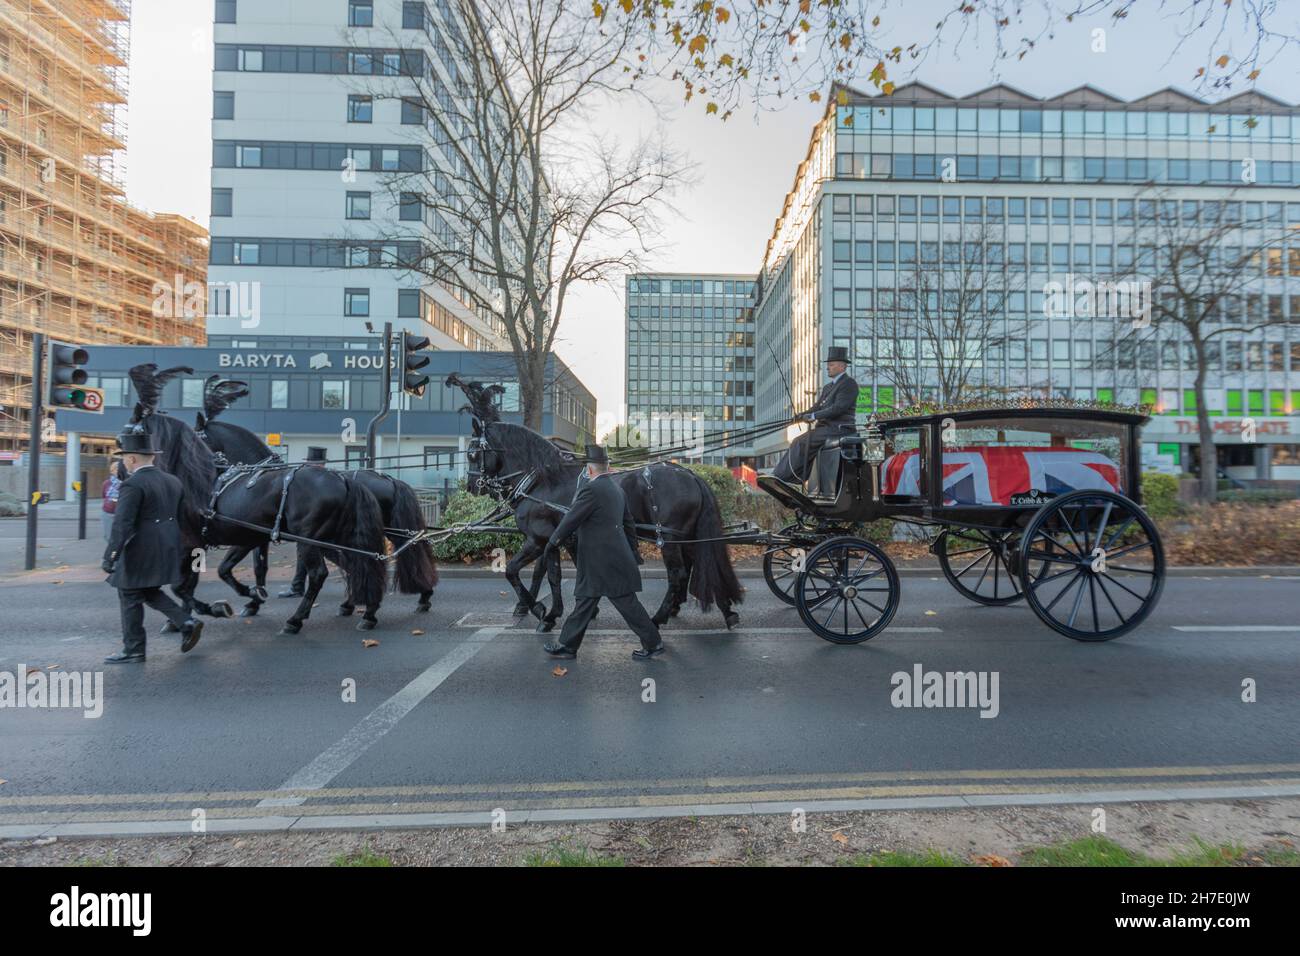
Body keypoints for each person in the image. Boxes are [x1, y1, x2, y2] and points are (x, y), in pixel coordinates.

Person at [541, 445, 664, 661]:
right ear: (607, 467)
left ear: (589, 470)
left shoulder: (591, 489)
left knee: (626, 603)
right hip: (609, 559)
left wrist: (552, 542)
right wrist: (633, 552)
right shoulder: (617, 489)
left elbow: (571, 519)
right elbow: (629, 524)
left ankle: (653, 643)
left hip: (603, 561)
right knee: (586, 601)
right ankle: (568, 646)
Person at [102, 429, 203, 664]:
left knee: (128, 592)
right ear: (152, 457)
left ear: (132, 459)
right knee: (146, 591)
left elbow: (122, 524)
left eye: (125, 457)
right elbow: (179, 517)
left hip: (140, 548)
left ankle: (134, 649)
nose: (124, 462)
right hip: (167, 545)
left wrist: (111, 556)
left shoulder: (132, 484)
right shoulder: (173, 481)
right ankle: (186, 621)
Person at [772, 345, 860, 485]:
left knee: (800, 442)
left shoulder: (849, 384)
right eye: (828, 365)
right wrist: (801, 415)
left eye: (831, 365)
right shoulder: (828, 387)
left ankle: (781, 476)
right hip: (824, 429)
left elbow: (838, 408)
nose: (827, 367)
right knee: (801, 441)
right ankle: (793, 477)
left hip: (838, 429)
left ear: (842, 366)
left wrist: (813, 416)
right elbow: (817, 407)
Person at [279, 446, 329, 598]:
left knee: (310, 551)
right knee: (304, 551)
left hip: (316, 525)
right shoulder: (325, 477)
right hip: (316, 524)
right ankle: (297, 586)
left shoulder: (309, 479)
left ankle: (298, 586)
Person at [100, 460, 123, 542]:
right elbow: (104, 496)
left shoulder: (127, 482)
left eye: (119, 468)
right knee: (108, 537)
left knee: (121, 538)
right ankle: (111, 554)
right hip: (107, 513)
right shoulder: (106, 483)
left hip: (121, 514)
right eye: (115, 469)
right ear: (112, 471)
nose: (117, 470)